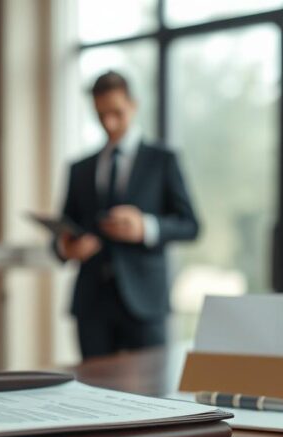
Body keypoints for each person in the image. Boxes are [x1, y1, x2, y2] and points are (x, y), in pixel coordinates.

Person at [55, 71, 200, 359]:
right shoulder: (80, 168)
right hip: (92, 302)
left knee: (152, 394)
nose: (109, 123)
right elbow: (63, 229)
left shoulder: (162, 161)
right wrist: (66, 247)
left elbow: (191, 225)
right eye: (101, 115)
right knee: (92, 393)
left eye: (116, 113)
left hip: (144, 301)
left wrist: (146, 228)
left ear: (133, 104)